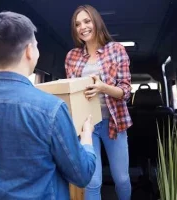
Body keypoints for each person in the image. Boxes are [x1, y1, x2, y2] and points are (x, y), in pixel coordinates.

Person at [0, 11, 96, 200]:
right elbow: (82, 175)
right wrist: (86, 136)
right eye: (37, 45)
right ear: (30, 51)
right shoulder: (52, 109)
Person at [65, 5, 132, 200]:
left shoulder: (116, 50)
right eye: (77, 24)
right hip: (87, 126)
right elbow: (72, 91)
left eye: (87, 21)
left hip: (114, 123)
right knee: (92, 182)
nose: (82, 27)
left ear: (96, 22)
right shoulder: (72, 56)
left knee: (121, 178)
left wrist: (103, 87)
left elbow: (126, 92)